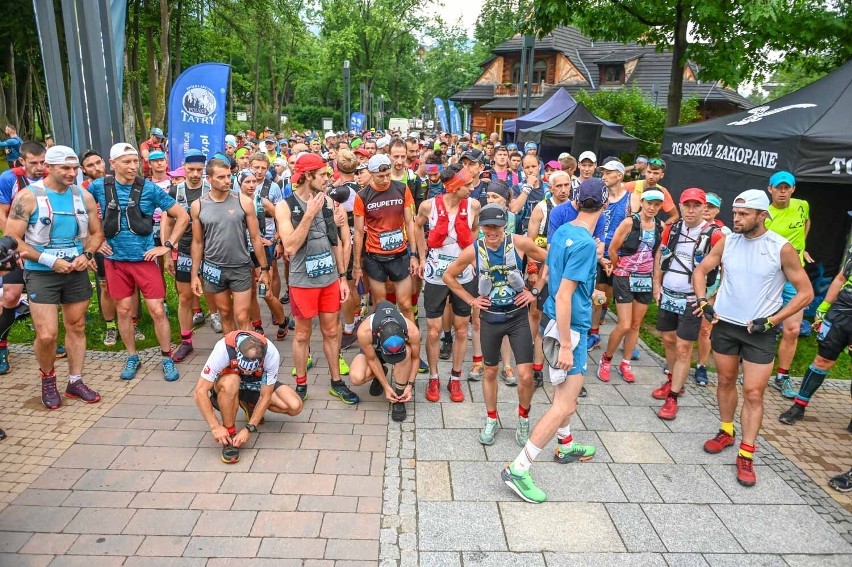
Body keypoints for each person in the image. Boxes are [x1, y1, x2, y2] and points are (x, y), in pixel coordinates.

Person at [693, 189, 813, 487]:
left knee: (754, 392)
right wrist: (704, 302)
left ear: (762, 216)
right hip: (726, 325)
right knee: (724, 380)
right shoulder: (727, 241)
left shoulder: (780, 247)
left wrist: (772, 321)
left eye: (744, 214)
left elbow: (806, 293)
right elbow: (701, 270)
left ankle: (746, 454)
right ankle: (726, 430)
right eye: (735, 213)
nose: (737, 218)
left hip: (759, 331)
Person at [501, 178, 608, 503]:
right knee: (564, 402)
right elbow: (564, 296)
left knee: (567, 396)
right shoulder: (587, 244)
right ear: (603, 207)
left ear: (575, 202)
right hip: (569, 329)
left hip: (555, 319)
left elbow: (549, 271)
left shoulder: (562, 231)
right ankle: (518, 468)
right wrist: (564, 343)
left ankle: (565, 444)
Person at [5, 146, 104, 409]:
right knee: (47, 335)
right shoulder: (27, 197)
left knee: (77, 326)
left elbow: (96, 233)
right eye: (66, 169)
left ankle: (75, 380)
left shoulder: (83, 196)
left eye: (75, 168)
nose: (72, 173)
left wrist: (88, 254)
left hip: (76, 269)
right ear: (49, 167)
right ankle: (48, 378)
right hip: (42, 273)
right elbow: (12, 239)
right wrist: (51, 261)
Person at [445, 204, 547, 446]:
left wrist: (535, 291)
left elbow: (550, 260)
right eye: (487, 227)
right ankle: (491, 418)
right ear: (481, 227)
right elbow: (449, 276)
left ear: (505, 226)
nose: (492, 231)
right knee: (490, 371)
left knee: (525, 375)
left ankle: (523, 419)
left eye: (497, 227)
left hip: (517, 317)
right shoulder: (474, 250)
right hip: (490, 319)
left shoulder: (519, 243)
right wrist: (471, 300)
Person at [87, 143, 189, 380]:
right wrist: (92, 242)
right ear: (113, 164)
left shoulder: (150, 189)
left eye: (135, 161)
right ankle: (132, 356)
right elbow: (80, 214)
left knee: (157, 310)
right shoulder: (99, 187)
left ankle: (166, 357)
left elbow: (182, 216)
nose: (133, 166)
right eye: (127, 161)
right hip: (115, 260)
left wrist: (168, 245)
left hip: (144, 260)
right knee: (123, 310)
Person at [277, 153, 358, 404]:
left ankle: (336, 382)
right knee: (302, 335)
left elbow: (336, 244)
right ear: (308, 176)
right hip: (303, 281)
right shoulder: (285, 206)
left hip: (330, 279)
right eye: (323, 174)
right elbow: (289, 247)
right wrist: (309, 214)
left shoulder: (329, 202)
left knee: (331, 332)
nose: (329, 178)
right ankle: (301, 385)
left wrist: (343, 278)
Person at [652, 188, 724, 419]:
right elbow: (660, 255)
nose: (690, 210)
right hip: (669, 294)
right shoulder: (672, 229)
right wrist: (656, 284)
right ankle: (674, 380)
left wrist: (709, 299)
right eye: (686, 205)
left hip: (692, 300)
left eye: (696, 205)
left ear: (705, 208)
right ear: (680, 206)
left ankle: (672, 398)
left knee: (684, 348)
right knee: (668, 339)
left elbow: (724, 270)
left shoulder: (715, 234)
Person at [414, 164, 481, 404]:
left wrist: (470, 257)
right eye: (467, 184)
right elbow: (417, 225)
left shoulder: (473, 205)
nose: (471, 188)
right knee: (432, 330)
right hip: (435, 272)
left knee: (462, 328)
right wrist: (420, 256)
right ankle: (433, 377)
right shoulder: (428, 206)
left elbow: (475, 230)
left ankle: (455, 377)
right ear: (453, 186)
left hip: (463, 273)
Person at [194, 330, 303, 464]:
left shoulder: (271, 353)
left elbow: (266, 395)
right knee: (231, 382)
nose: (246, 372)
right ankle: (229, 434)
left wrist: (249, 428)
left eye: (251, 369)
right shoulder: (223, 349)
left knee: (294, 406)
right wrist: (215, 427)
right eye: (243, 368)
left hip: (256, 383)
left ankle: (249, 404)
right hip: (229, 382)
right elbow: (200, 391)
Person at [191, 160, 271, 335]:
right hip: (213, 268)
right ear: (209, 179)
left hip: (240, 266)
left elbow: (256, 238)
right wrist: (195, 274)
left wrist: (264, 269)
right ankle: (232, 354)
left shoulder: (243, 202)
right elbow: (197, 242)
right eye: (221, 177)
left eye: (228, 176)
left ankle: (250, 357)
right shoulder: (198, 205)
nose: (227, 181)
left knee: (242, 317)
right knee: (225, 314)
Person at [598, 189, 665, 383]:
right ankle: (606, 359)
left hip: (644, 278)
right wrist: (619, 267)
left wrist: (655, 283)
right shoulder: (630, 222)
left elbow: (657, 255)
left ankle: (626, 363)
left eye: (657, 204)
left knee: (635, 324)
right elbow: (613, 248)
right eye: (649, 203)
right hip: (625, 275)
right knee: (624, 324)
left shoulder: (659, 226)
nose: (652, 207)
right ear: (642, 202)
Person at [778, 252, 852, 426]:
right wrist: (824, 307)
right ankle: (798, 407)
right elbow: (841, 278)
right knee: (822, 359)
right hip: (841, 311)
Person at [352, 154, 419, 322]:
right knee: (381, 305)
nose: (385, 179)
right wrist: (356, 263)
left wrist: (414, 254)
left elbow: (410, 223)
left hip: (400, 255)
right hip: (375, 256)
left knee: (405, 304)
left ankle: (411, 337)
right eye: (380, 176)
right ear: (371, 173)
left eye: (388, 174)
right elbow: (359, 232)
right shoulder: (362, 196)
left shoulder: (402, 189)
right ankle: (383, 341)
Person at [0, 141, 48, 372]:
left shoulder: (53, 176)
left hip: (44, 247)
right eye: (34, 163)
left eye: (43, 162)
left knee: (47, 296)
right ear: (22, 161)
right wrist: (14, 243)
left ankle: (47, 340)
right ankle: (1, 346)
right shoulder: (9, 178)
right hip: (15, 246)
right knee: (11, 296)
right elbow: (2, 213)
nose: (40, 167)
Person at [764, 171, 812, 398]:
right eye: (778, 187)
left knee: (792, 329)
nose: (782, 192)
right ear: (770, 189)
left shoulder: (803, 205)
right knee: (764, 325)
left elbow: (806, 223)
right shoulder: (765, 213)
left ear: (793, 189)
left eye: (787, 188)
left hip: (794, 275)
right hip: (770, 276)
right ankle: (756, 368)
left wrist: (801, 248)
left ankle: (782, 376)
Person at [160, 150, 210, 362]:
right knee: (184, 296)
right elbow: (167, 222)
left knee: (219, 295)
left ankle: (229, 339)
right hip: (186, 246)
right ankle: (186, 341)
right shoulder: (175, 191)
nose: (195, 174)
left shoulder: (212, 187)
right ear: (183, 167)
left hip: (212, 246)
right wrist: (167, 255)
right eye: (191, 170)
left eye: (199, 170)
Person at [348, 300, 421, 421]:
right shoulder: (364, 331)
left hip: (402, 352)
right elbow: (372, 359)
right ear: (378, 336)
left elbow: (416, 358)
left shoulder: (412, 330)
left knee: (408, 353)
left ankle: (399, 396)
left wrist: (410, 385)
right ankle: (380, 373)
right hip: (374, 353)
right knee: (357, 377)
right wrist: (386, 386)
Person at [588, 160, 632, 351]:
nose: (604, 176)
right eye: (603, 172)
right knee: (598, 293)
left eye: (608, 172)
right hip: (599, 253)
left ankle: (627, 340)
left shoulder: (632, 199)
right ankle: (594, 333)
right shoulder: (600, 196)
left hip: (621, 257)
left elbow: (635, 226)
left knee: (620, 299)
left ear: (619, 175)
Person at [694, 192, 731, 385]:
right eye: (704, 204)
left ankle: (701, 366)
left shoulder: (724, 233)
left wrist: (721, 289)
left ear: (717, 210)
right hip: (686, 283)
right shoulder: (690, 226)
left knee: (704, 328)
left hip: (711, 285)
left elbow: (728, 264)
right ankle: (673, 361)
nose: (706, 208)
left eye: (711, 206)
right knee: (680, 324)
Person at [625, 158, 679, 225]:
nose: (651, 176)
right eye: (649, 172)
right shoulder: (630, 186)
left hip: (649, 229)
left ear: (661, 175)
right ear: (645, 172)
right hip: (627, 226)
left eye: (655, 173)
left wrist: (663, 229)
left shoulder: (662, 192)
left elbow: (675, 216)